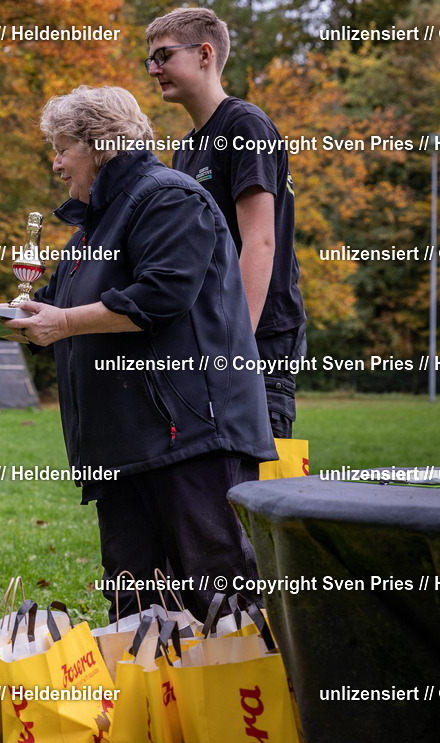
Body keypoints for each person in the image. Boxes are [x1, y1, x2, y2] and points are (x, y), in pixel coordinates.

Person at [0, 86, 277, 619]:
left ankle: (243, 703)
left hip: (187, 439)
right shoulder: (92, 227)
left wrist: (66, 322)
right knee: (136, 608)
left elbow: (162, 295)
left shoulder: (169, 197)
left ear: (98, 144)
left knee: (219, 598)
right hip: (121, 446)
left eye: (61, 147)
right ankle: (149, 703)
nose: (55, 163)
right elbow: (44, 311)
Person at [146, 7, 307, 439]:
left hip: (259, 334)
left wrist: (238, 347)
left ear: (204, 53)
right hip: (214, 334)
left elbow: (260, 243)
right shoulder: (187, 150)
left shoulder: (244, 125)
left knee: (254, 482)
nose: (153, 69)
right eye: (150, 60)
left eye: (163, 56)